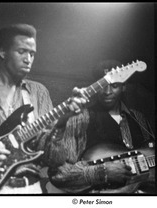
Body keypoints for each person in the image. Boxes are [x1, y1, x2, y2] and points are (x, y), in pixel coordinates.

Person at [0, 23, 88, 194]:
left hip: (29, 188)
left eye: (32, 54)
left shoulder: (38, 92)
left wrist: (63, 121)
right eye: (21, 51)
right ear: (3, 52)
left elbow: (53, 157)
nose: (28, 59)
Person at [46, 60, 155, 194]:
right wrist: (102, 172)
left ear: (124, 86)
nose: (107, 92)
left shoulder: (138, 118)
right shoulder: (80, 119)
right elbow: (60, 174)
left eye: (114, 85)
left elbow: (150, 155)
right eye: (102, 86)